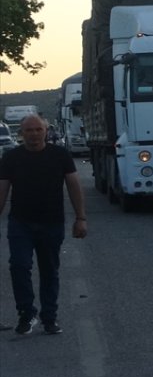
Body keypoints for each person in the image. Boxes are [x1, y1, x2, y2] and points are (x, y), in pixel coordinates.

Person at [0, 115, 88, 335]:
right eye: (28, 130)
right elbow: (2, 189)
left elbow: (73, 185)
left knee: (49, 270)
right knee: (19, 266)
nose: (34, 134)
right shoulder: (11, 157)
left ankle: (50, 317)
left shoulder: (60, 155)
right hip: (20, 222)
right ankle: (27, 314)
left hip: (51, 222)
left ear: (46, 131)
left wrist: (81, 218)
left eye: (38, 130)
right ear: (21, 133)